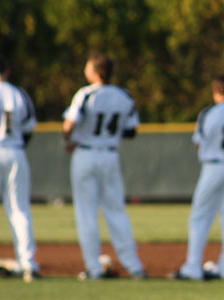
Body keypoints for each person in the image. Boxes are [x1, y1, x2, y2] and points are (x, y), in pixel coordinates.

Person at [62, 54, 147, 280]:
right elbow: (131, 131)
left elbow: (68, 125)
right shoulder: (124, 96)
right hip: (109, 155)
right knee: (116, 210)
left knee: (86, 213)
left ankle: (94, 268)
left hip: (85, 153)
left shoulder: (86, 93)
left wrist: (68, 141)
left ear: (96, 72)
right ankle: (134, 266)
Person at [169, 75, 224, 280]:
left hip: (213, 166)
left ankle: (192, 267)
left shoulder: (208, 113)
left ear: (216, 91)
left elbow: (199, 143)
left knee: (200, 217)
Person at [0, 54, 40, 282]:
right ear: (7, 70)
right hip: (15, 152)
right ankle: (29, 266)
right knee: (19, 210)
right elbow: (29, 128)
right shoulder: (18, 94)